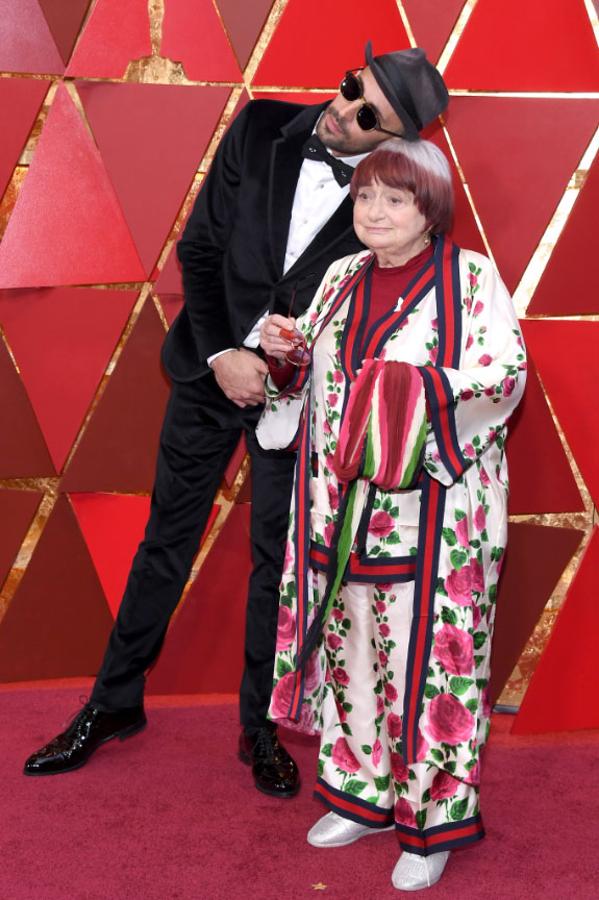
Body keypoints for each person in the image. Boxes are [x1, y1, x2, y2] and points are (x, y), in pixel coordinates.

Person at [23, 44, 450, 800]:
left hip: (303, 401)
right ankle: (111, 704)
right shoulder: (259, 127)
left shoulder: (392, 195)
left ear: (393, 139)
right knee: (164, 544)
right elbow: (201, 247)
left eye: (368, 116)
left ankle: (261, 732)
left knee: (276, 570)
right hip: (210, 372)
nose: (343, 110)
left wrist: (298, 368)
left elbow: (387, 313)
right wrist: (225, 352)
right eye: (352, 87)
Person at [257, 139, 526, 888]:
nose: (373, 212)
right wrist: (289, 356)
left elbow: (503, 378)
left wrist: (410, 389)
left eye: (394, 199)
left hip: (434, 509)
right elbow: (309, 378)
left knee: (430, 666)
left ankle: (430, 823)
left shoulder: (469, 278)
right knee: (352, 652)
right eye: (365, 196)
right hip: (339, 509)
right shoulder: (342, 276)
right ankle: (360, 791)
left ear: (429, 207)